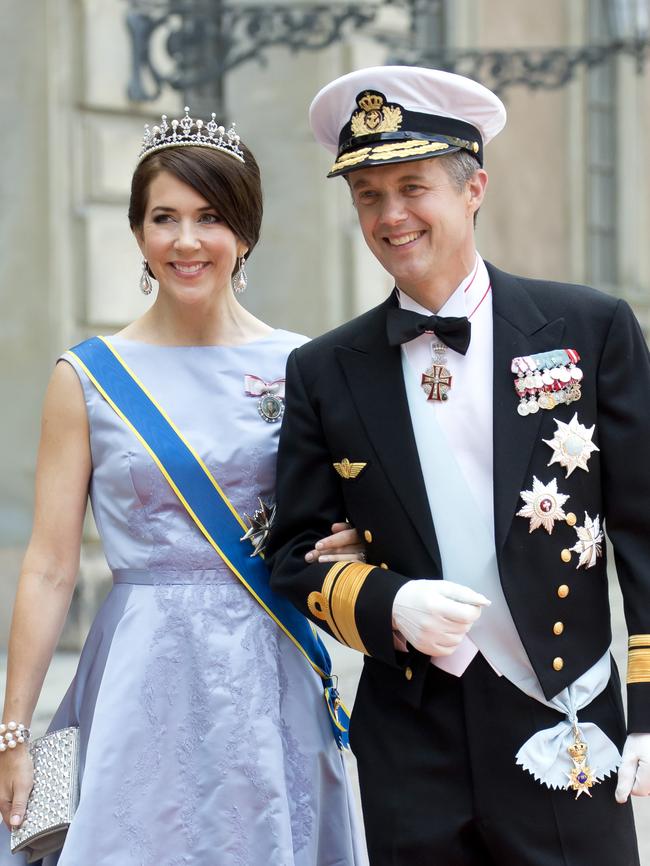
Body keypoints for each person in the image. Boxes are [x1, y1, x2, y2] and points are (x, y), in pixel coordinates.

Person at [267, 66, 650, 865]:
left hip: (562, 710)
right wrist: (389, 600)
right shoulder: (324, 369)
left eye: (413, 187)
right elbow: (294, 554)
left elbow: (644, 529)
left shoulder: (589, 327)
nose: (391, 215)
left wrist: (648, 706)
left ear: (475, 187)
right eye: (368, 196)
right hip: (412, 731)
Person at [0, 108, 368, 865]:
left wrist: (362, 538)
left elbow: (343, 519)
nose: (187, 241)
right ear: (138, 234)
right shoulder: (88, 377)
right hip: (140, 671)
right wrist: (13, 732)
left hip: (271, 665)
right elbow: (48, 565)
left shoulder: (305, 365)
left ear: (245, 232)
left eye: (210, 217)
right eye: (164, 218)